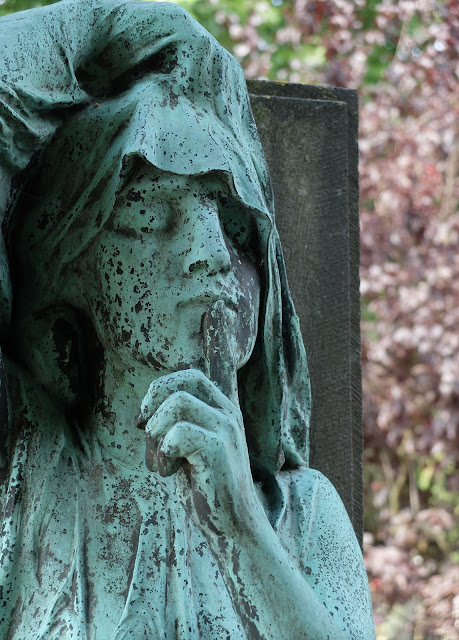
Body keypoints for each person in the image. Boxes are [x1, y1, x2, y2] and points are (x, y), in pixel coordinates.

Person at [0, 1, 375, 638]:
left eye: (229, 223)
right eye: (152, 216)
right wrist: (130, 29)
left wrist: (242, 529)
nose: (209, 255)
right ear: (75, 264)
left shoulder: (304, 515)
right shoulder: (27, 469)